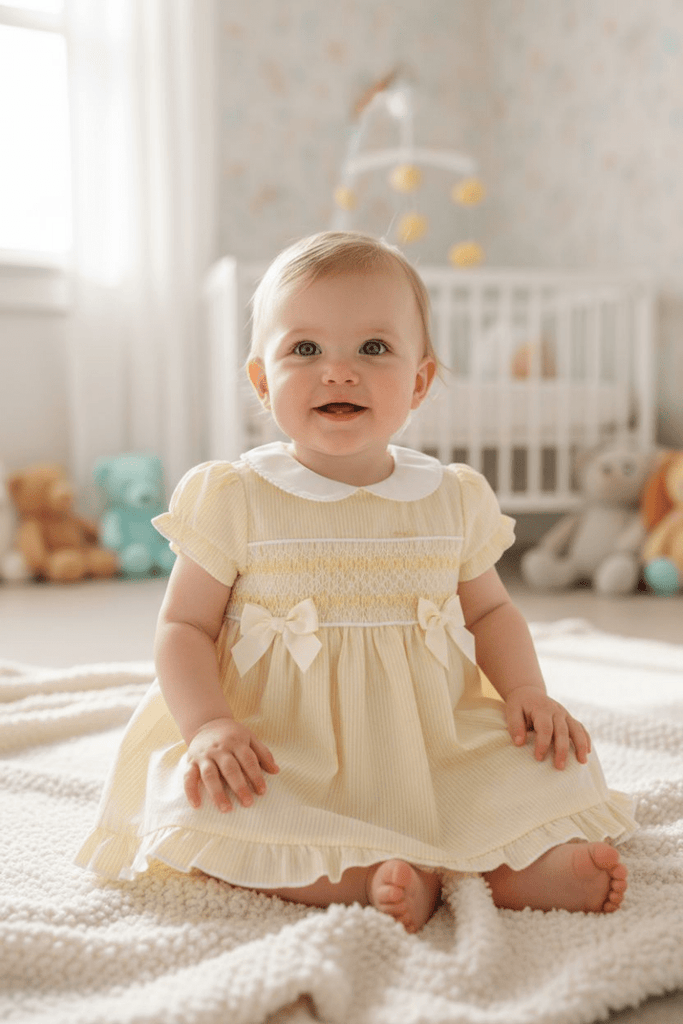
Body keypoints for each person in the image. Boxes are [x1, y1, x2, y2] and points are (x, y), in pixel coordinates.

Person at [76, 231, 636, 933]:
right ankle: (360, 878)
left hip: (433, 742)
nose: (338, 372)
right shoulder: (236, 495)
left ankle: (514, 870)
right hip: (284, 744)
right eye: (304, 350)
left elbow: (491, 612)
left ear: (419, 382)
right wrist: (210, 726)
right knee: (207, 807)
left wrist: (526, 693)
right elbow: (184, 626)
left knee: (551, 767)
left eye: (373, 349)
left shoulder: (450, 497)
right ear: (261, 381)